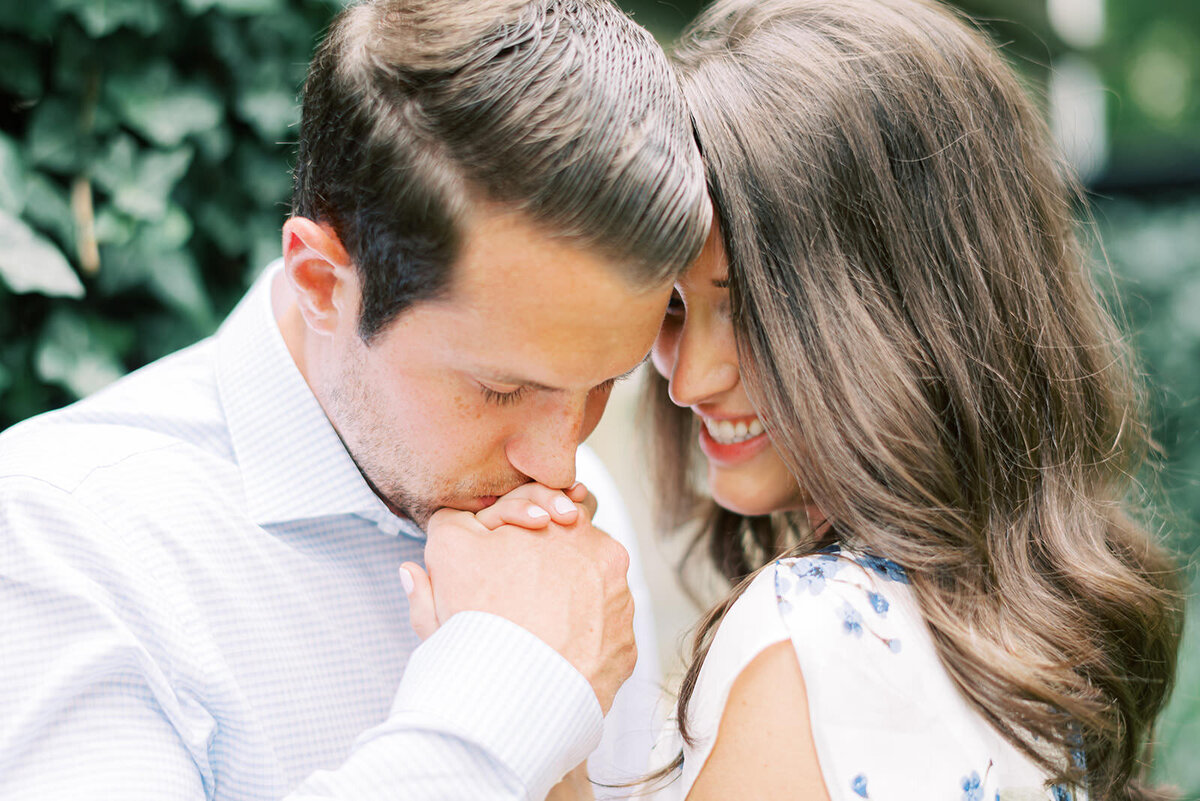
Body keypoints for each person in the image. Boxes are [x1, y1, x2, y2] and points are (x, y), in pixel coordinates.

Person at [429, 0, 1183, 798]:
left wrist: (519, 686)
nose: (688, 381)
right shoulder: (1021, 632)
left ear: (904, 304)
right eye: (674, 310)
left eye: (749, 306)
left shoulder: (810, 639)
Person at [0, 1, 711, 799]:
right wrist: (512, 693)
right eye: (500, 388)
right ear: (319, 282)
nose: (558, 463)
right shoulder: (54, 538)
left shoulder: (579, 523)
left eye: (604, 386)